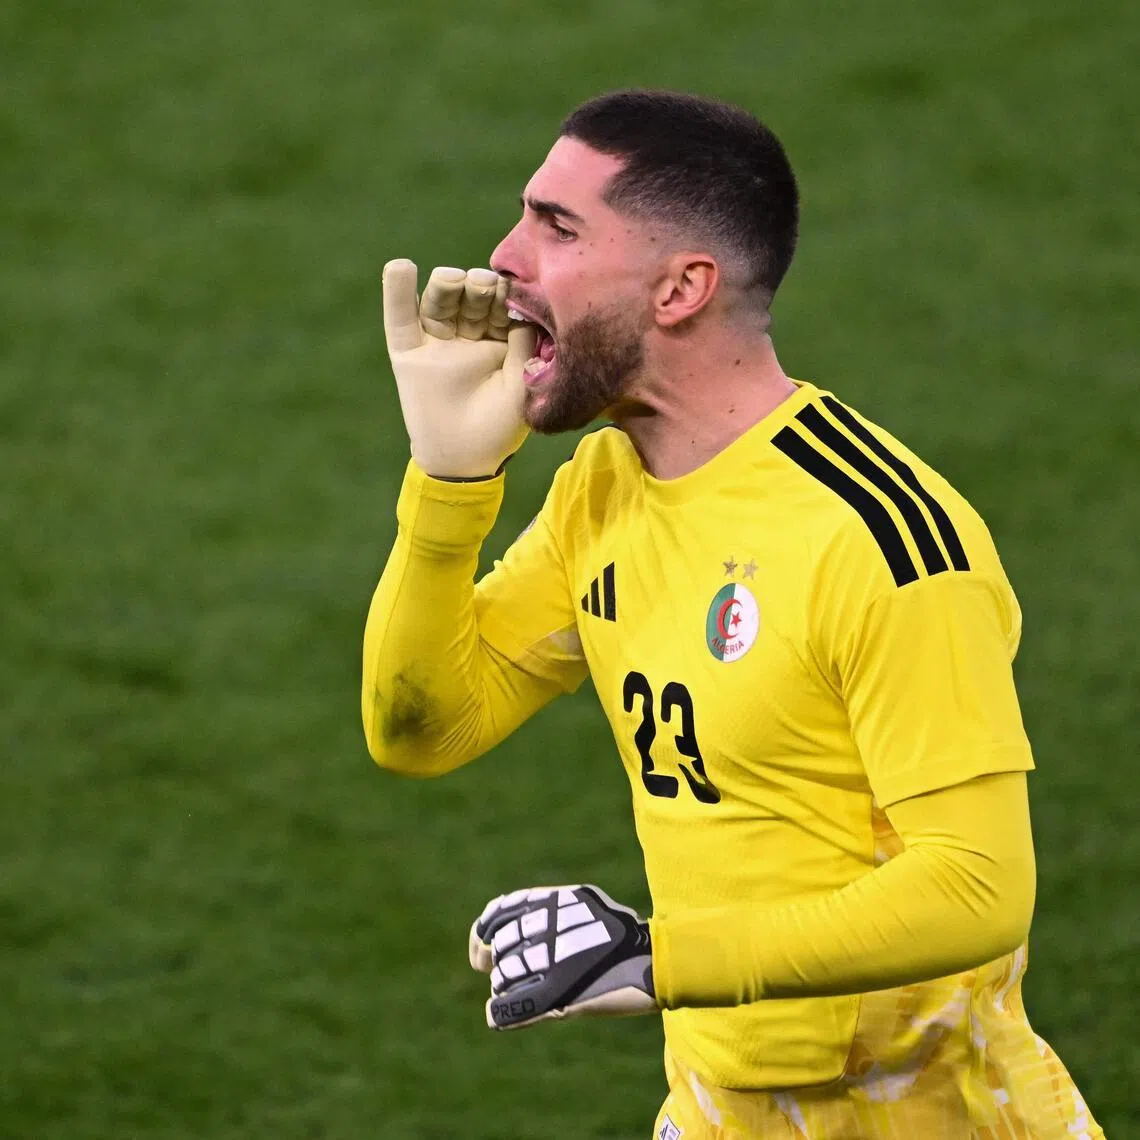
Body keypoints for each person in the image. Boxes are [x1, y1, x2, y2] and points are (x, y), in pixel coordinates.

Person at [363, 90, 1102, 1139]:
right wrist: (447, 486)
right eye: (523, 215)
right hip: (718, 1109)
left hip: (932, 1116)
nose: (503, 257)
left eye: (557, 228)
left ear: (681, 288)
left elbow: (977, 887)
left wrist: (658, 957)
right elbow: (423, 729)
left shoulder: (879, 540)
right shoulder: (603, 487)